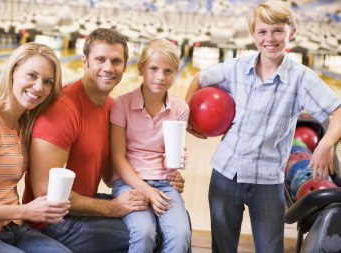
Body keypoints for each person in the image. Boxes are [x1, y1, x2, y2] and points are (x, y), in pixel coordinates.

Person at [185, 1, 341, 252]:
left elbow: (338, 110)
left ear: (292, 32)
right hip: (226, 173)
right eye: (262, 32)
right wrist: (188, 119)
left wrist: (326, 143)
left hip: (268, 181)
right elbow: (198, 78)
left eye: (278, 30)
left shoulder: (301, 78)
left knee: (271, 248)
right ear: (253, 34)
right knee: (222, 248)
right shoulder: (236, 67)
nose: (270, 38)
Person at [22, 28, 186, 253]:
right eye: (100, 59)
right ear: (85, 62)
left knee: (176, 221)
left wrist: (162, 179)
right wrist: (112, 208)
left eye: (116, 61)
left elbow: (111, 177)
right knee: (155, 236)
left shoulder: (111, 107)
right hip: (54, 222)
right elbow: (45, 192)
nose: (108, 68)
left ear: (125, 67)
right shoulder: (61, 111)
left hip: (82, 207)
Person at [0, 42, 71, 253]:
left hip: (12, 227)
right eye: (31, 75)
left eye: (47, 81)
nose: (39, 87)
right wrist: (26, 211)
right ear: (13, 72)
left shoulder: (25, 123)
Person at [110, 38, 191, 253]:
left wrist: (176, 162)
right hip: (128, 183)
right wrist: (147, 191)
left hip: (164, 183)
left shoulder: (180, 107)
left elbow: (170, 154)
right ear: (141, 69)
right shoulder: (121, 104)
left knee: (180, 234)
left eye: (168, 71)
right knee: (144, 232)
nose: (160, 77)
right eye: (153, 68)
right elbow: (117, 158)